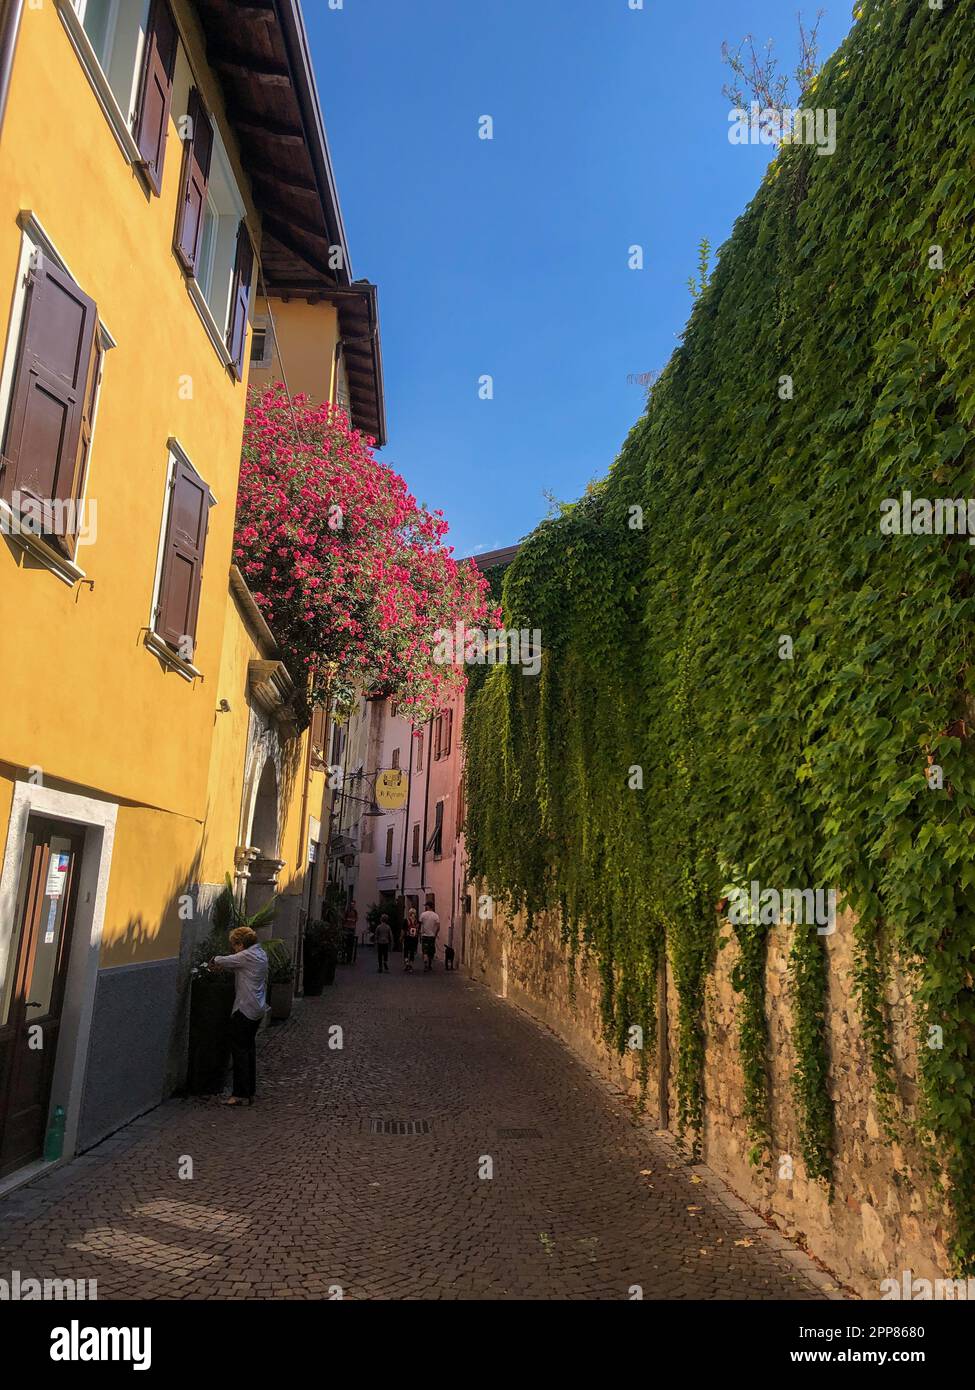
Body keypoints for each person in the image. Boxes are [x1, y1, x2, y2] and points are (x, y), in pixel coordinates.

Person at [210, 925, 268, 1106]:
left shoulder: (246, 956)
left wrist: (212, 960)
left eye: (234, 945)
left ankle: (240, 1094)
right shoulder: (260, 954)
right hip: (257, 1008)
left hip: (244, 1009)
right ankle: (249, 1090)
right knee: (249, 1049)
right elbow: (239, 968)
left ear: (241, 944)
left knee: (240, 1051)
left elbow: (221, 960)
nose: (234, 949)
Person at [419, 898, 440, 972]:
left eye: (426, 906)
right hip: (432, 936)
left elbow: (420, 925)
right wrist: (435, 934)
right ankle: (430, 964)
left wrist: (420, 933)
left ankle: (425, 964)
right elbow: (438, 926)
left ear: (428, 906)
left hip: (424, 936)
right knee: (431, 951)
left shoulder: (423, 915)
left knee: (425, 951)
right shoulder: (436, 916)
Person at [403, 907, 419, 972]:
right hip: (414, 938)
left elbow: (403, 930)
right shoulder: (417, 921)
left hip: (407, 937)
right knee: (412, 951)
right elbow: (418, 930)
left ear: (409, 913)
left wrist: (401, 937)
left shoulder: (406, 920)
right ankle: (411, 965)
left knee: (406, 950)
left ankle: (407, 963)